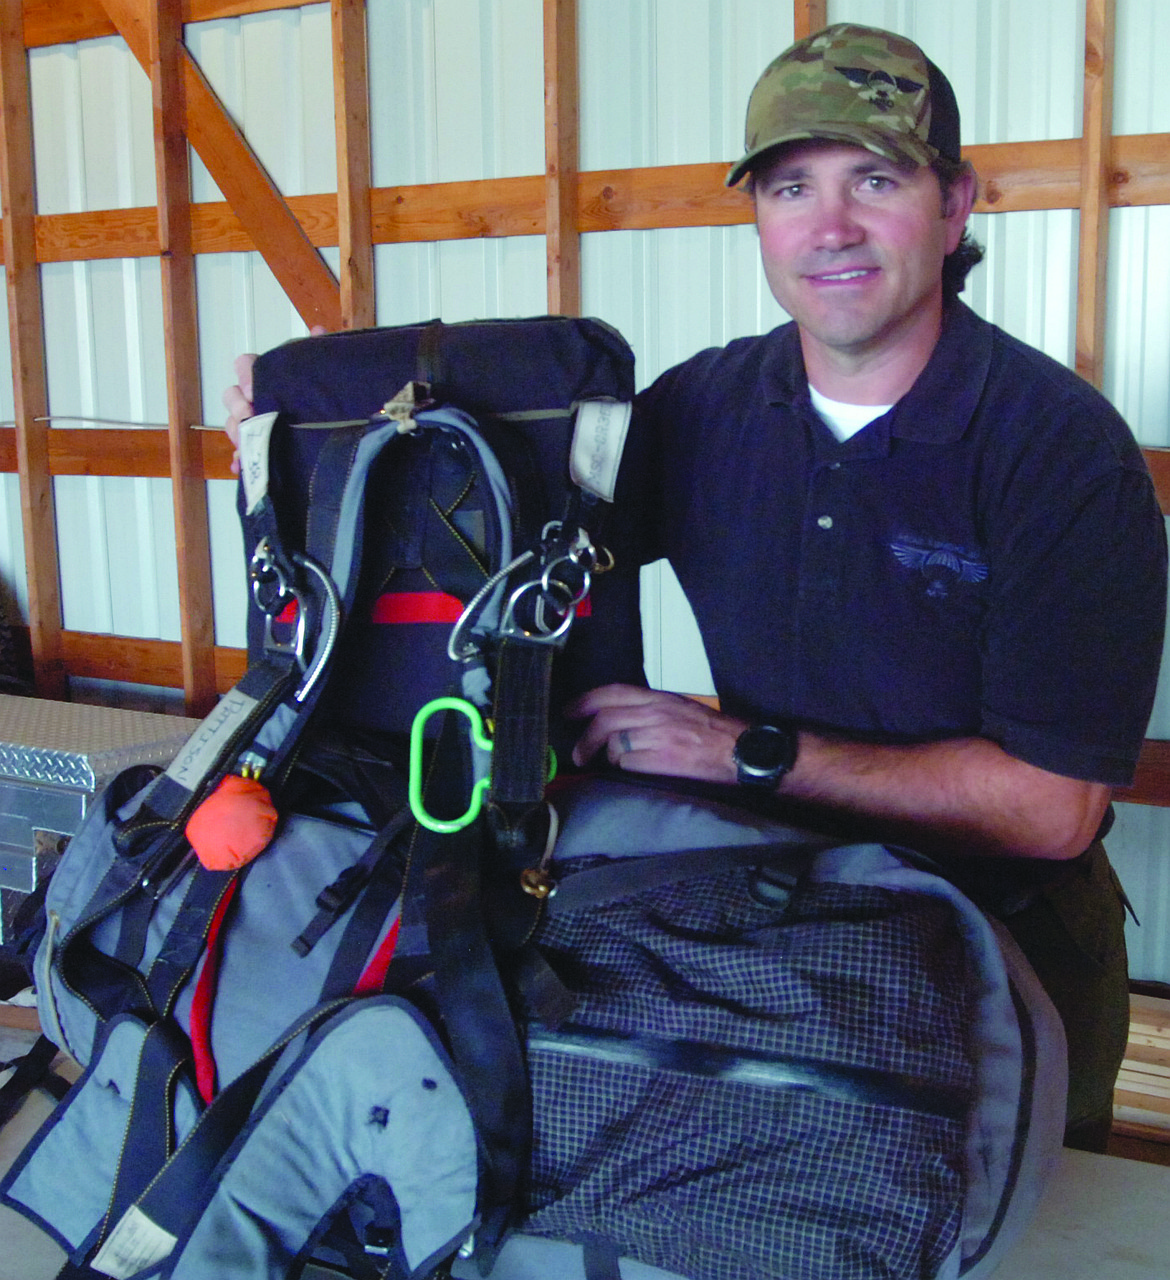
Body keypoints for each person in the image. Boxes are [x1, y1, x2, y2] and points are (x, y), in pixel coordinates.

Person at [226, 25, 1167, 1152]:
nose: (830, 228)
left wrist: (739, 749)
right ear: (760, 216)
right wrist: (304, 413)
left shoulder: (1056, 450)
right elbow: (496, 475)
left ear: (956, 205)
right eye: (790, 186)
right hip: (779, 932)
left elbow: (1052, 807)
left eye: (877, 179)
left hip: (1009, 976)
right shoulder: (706, 408)